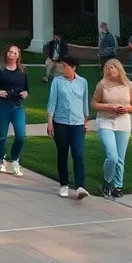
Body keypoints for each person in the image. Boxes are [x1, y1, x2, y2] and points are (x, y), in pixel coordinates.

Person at [92, 59, 132, 198]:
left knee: (120, 158)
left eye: (113, 68)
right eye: (107, 68)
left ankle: (117, 186)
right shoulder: (102, 85)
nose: (110, 71)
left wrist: (127, 109)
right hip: (105, 121)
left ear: (119, 70)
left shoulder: (128, 85)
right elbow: (94, 103)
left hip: (123, 122)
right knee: (112, 156)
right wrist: (108, 106)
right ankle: (107, 181)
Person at [46, 55, 90, 200]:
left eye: (64, 66)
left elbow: (84, 103)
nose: (62, 69)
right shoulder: (57, 82)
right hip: (61, 123)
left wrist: (86, 121)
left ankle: (80, 186)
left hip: (77, 123)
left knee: (78, 154)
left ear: (73, 68)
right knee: (63, 153)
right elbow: (52, 101)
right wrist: (50, 122)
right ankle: (64, 184)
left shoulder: (83, 82)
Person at [0, 45, 29, 176]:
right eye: (11, 52)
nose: (13, 55)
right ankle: (1, 160)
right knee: (2, 136)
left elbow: (26, 88)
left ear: (18, 55)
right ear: (6, 54)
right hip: (3, 105)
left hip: (17, 105)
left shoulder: (23, 70)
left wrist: (25, 93)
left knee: (21, 136)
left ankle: (15, 159)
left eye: (16, 53)